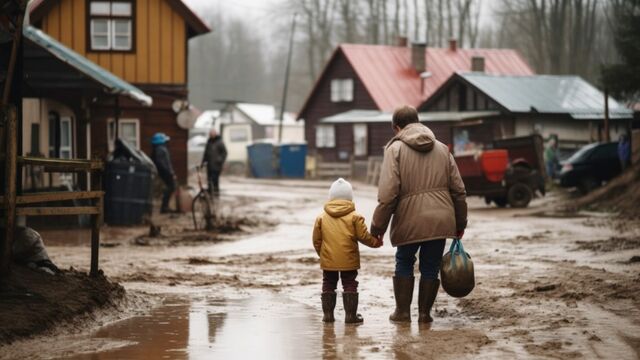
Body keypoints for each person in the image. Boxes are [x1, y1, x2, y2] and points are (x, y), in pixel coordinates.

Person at [371, 105, 467, 323]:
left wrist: (377, 228)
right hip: (441, 220)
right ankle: (425, 315)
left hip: (409, 219)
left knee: (404, 261)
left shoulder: (394, 150)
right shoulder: (443, 149)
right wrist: (460, 223)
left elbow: (388, 194)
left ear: (396, 128)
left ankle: (403, 313)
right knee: (431, 266)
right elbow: (459, 191)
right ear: (418, 121)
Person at [313, 178, 382, 324]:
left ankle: (328, 315)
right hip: (349, 259)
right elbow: (364, 237)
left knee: (328, 283)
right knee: (350, 283)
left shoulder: (321, 218)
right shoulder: (355, 217)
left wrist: (323, 255)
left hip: (328, 259)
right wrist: (376, 242)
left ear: (331, 197)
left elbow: (316, 240)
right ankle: (350, 316)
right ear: (349, 198)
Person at [151, 132, 176, 213]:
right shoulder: (160, 149)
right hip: (165, 172)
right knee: (171, 187)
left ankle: (165, 206)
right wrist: (170, 172)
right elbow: (163, 163)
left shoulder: (159, 149)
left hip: (165, 172)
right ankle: (164, 207)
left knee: (170, 188)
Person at [201, 129, 227, 196]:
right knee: (209, 180)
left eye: (212, 133)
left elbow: (224, 153)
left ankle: (216, 193)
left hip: (217, 165)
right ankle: (210, 193)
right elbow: (206, 153)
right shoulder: (209, 142)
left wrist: (220, 160)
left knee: (215, 179)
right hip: (209, 165)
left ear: (215, 134)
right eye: (210, 134)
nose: (211, 135)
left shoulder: (220, 142)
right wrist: (203, 162)